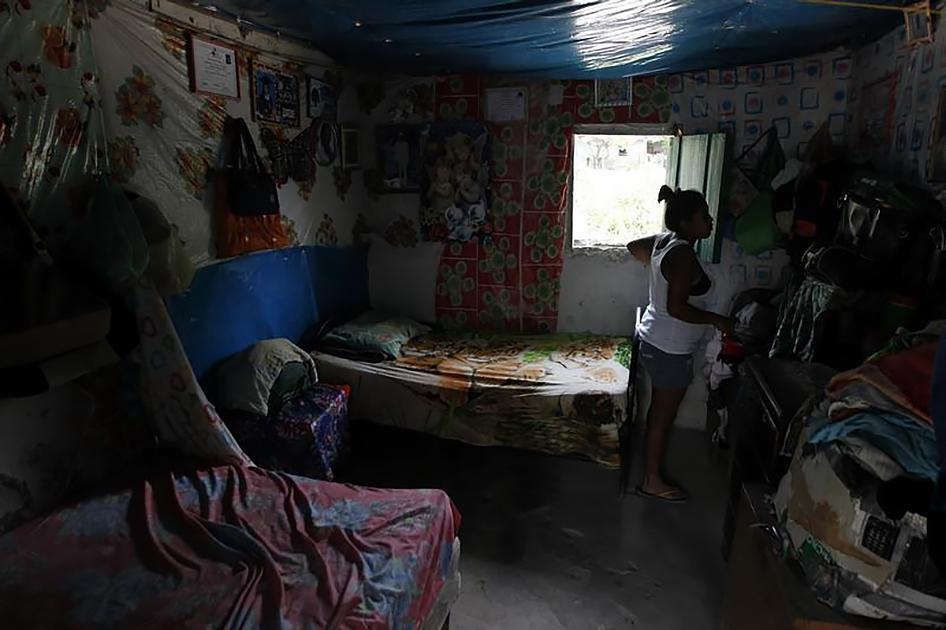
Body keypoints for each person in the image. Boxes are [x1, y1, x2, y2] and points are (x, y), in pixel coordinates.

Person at [627, 185, 732, 502]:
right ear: (687, 222)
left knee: (658, 413)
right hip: (669, 348)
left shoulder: (664, 241)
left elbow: (634, 247)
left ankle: (651, 472)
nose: (711, 221)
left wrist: (658, 278)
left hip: (654, 337)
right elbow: (676, 308)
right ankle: (652, 481)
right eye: (705, 215)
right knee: (661, 417)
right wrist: (717, 320)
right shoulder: (683, 254)